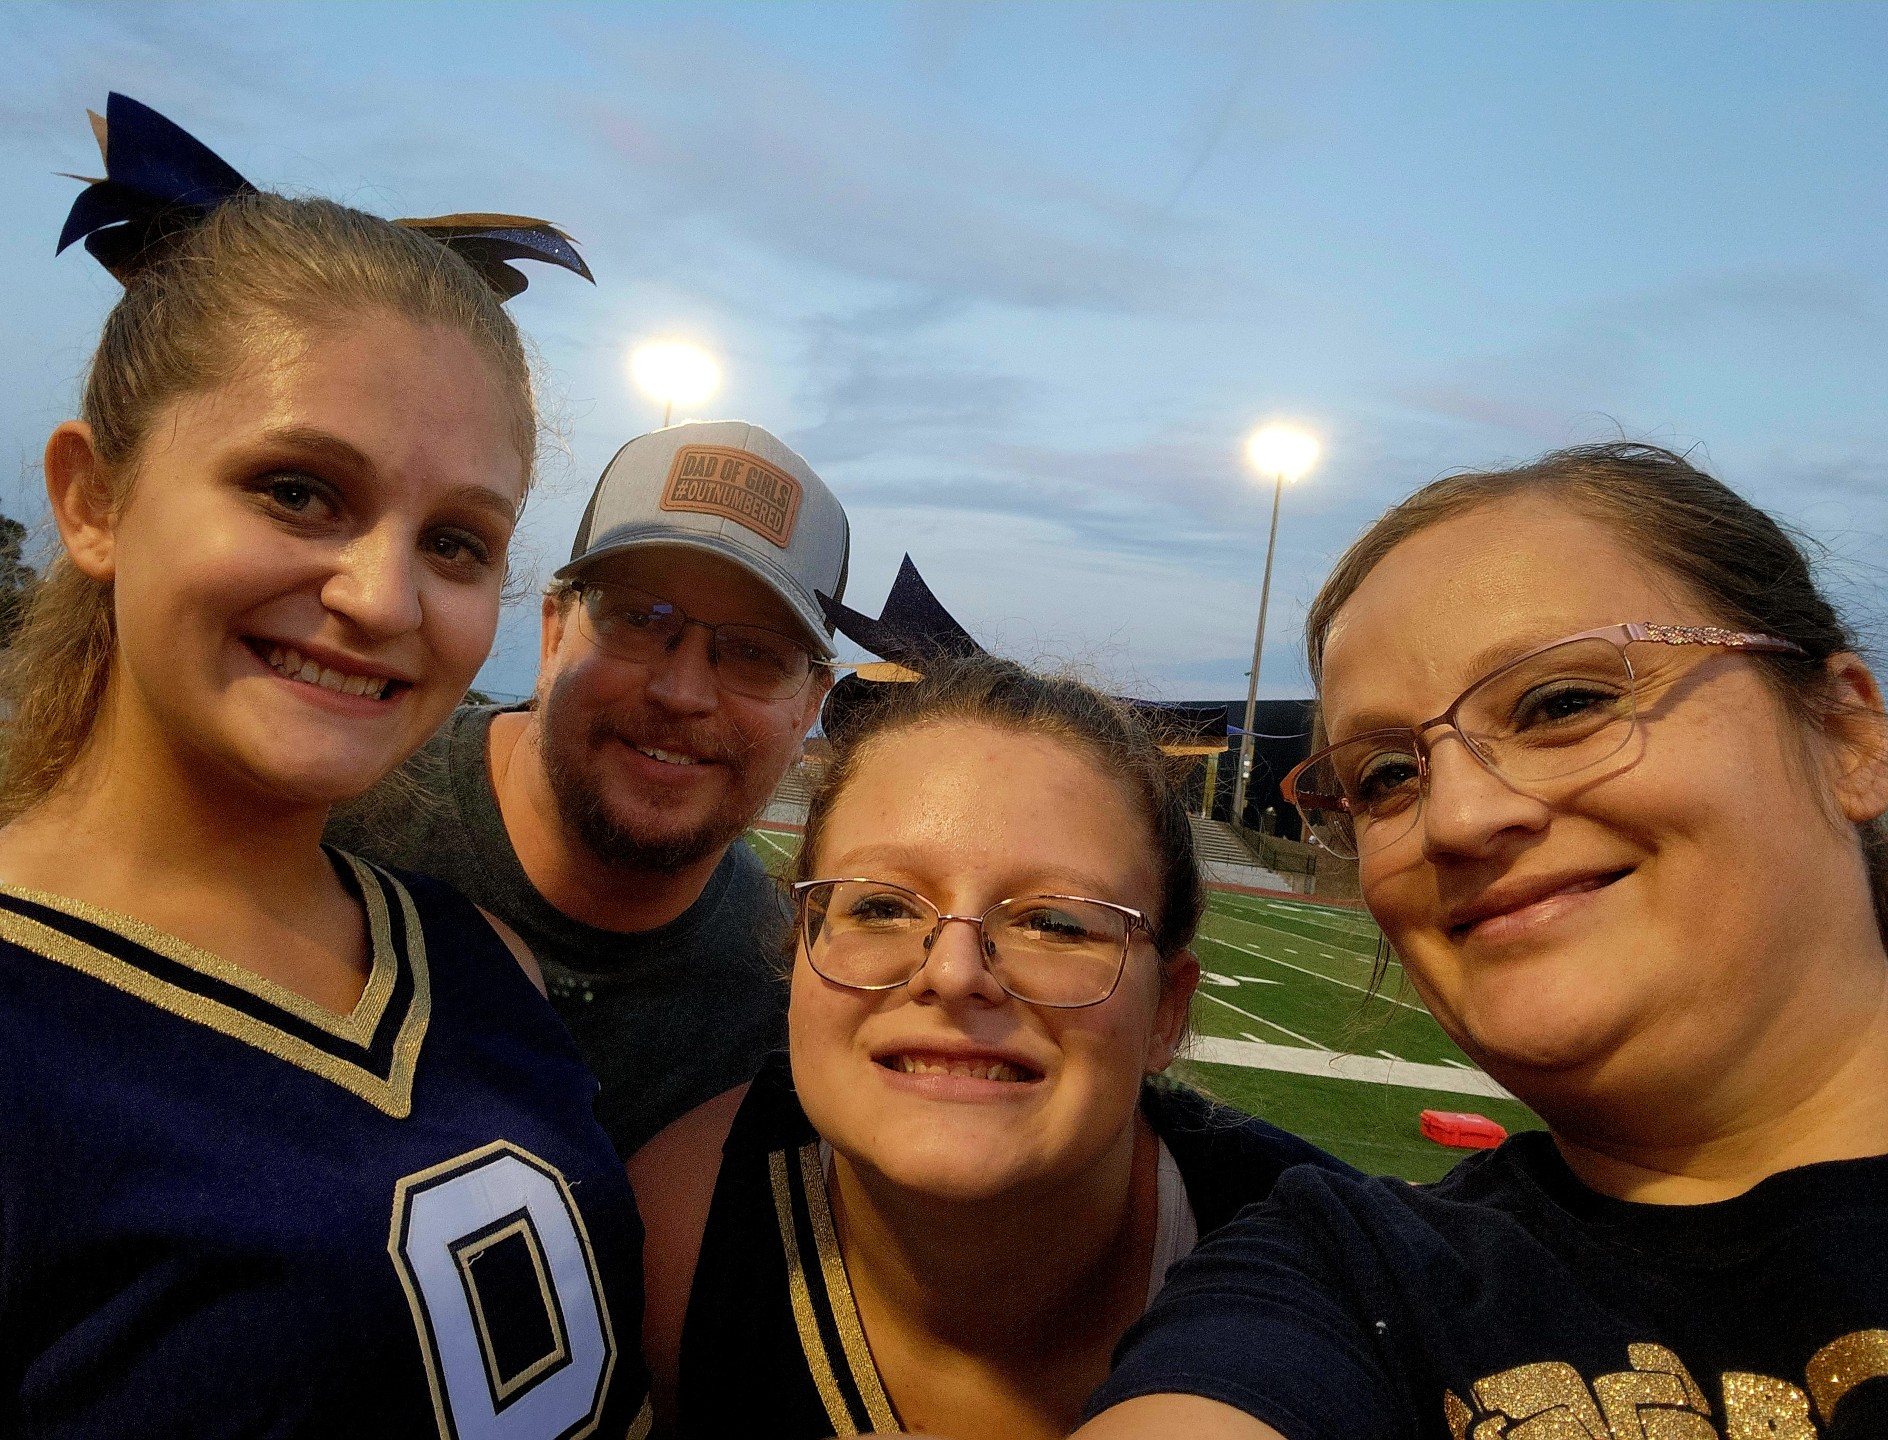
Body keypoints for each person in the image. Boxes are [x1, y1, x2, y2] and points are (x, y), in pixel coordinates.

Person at [0, 93, 648, 1438]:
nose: (383, 597)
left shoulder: (482, 966)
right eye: (298, 491)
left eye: (457, 541)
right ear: (94, 498)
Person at [1076, 442, 1888, 1440]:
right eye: (1385, 776)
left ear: (1847, 735)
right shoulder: (1342, 1276)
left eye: (1564, 704)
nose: (1456, 818)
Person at [629, 655, 1350, 1439]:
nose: (953, 972)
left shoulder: (1335, 1268)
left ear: (1166, 1014)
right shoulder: (675, 1233)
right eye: (879, 906)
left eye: (1055, 921)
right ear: (799, 948)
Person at [330, 419, 848, 1157]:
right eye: (637, 617)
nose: (681, 690)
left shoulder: (774, 998)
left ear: (808, 708)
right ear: (550, 637)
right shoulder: (339, 819)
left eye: (756, 654)